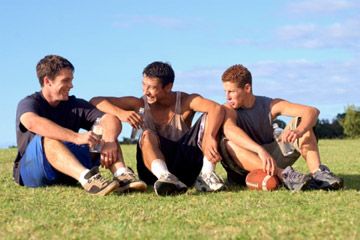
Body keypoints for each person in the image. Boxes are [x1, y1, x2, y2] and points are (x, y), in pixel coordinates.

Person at [13, 55, 146, 196]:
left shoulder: (75, 104)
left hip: (67, 169)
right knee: (49, 138)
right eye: (65, 80)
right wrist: (76, 137)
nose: (71, 85)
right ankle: (88, 180)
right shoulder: (29, 103)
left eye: (71, 80)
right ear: (47, 81)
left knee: (104, 132)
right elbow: (31, 122)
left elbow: (109, 119)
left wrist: (109, 140)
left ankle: (122, 175)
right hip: (34, 169)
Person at [90, 61, 226, 196]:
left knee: (210, 117)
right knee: (148, 134)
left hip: (186, 168)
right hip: (153, 174)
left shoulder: (186, 101)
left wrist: (209, 136)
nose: (145, 91)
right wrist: (121, 113)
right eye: (144, 84)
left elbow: (216, 108)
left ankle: (207, 176)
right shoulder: (139, 104)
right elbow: (95, 101)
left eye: (152, 87)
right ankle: (166, 178)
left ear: (168, 87)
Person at [219, 64, 343, 191]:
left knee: (301, 121)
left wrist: (299, 130)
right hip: (243, 169)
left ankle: (319, 175)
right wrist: (259, 151)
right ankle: (284, 175)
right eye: (225, 92)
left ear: (247, 88)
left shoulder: (269, 104)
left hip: (270, 160)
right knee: (227, 143)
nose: (227, 97)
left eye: (231, 91)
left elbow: (312, 111)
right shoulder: (228, 109)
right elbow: (230, 130)